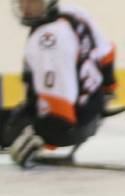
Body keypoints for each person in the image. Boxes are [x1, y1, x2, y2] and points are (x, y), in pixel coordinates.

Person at [0, 0, 117, 168]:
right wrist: (107, 91)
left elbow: (59, 114)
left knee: (7, 125)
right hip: (91, 114)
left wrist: (38, 137)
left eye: (32, 2)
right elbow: (107, 53)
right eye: (21, 2)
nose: (25, 8)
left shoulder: (47, 40)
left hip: (67, 127)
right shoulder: (73, 12)